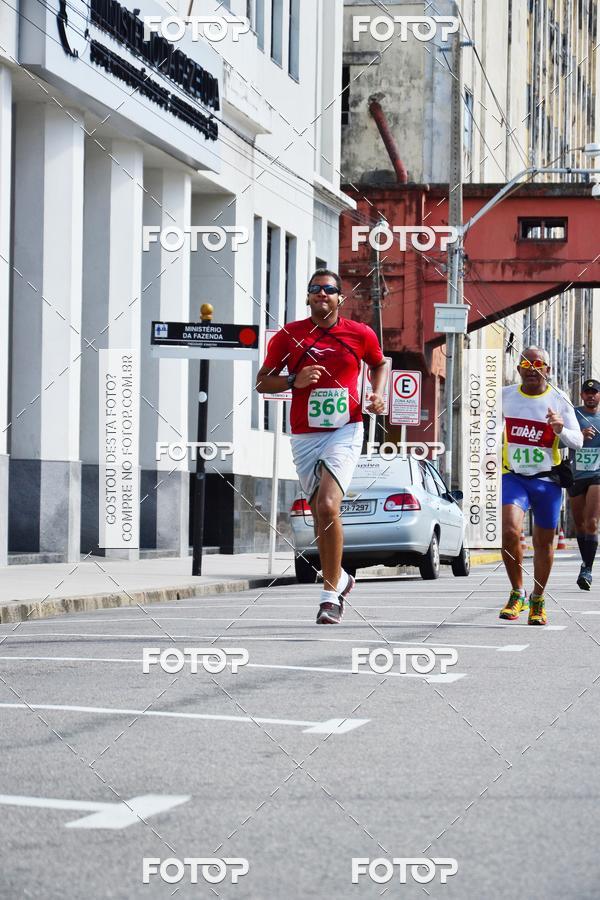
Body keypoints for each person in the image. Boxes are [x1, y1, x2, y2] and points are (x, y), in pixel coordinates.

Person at [256, 269, 387, 624]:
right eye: (315, 289)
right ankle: (340, 577)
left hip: (346, 429)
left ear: (340, 298)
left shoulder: (360, 333)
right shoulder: (289, 335)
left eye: (329, 289)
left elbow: (379, 364)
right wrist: (293, 380)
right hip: (304, 434)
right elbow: (262, 382)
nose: (321, 294)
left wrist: (377, 394)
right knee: (319, 512)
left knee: (328, 504)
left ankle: (330, 597)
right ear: (308, 296)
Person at [499, 347, 582, 625]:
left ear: (548, 369)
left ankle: (538, 598)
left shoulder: (559, 398)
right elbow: (487, 429)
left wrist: (560, 429)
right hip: (513, 476)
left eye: (538, 364)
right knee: (510, 530)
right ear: (518, 369)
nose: (531, 368)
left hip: (547, 480)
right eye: (526, 363)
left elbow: (578, 441)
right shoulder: (504, 396)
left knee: (543, 543)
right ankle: (517, 592)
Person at [568, 378, 600, 590]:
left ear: (599, 396)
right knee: (579, 525)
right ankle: (585, 562)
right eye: (587, 392)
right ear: (581, 395)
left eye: (594, 392)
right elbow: (559, 440)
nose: (591, 395)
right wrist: (578, 436)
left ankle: (587, 569)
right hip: (576, 475)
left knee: (592, 523)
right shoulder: (573, 414)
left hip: (597, 474)